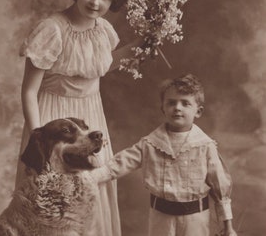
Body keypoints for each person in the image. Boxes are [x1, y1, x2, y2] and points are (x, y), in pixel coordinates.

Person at [15, 0, 139, 235]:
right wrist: (40, 139)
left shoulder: (103, 30)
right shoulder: (52, 29)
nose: (96, 2)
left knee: (92, 186)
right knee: (51, 198)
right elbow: (28, 91)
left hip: (90, 115)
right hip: (53, 117)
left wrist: (144, 44)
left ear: (112, 0)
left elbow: (100, 65)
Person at [93, 74, 237, 236]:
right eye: (171, 103)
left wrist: (228, 226)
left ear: (198, 111)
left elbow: (220, 188)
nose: (177, 108)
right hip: (161, 218)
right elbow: (119, 164)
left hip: (195, 219)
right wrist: (90, 177)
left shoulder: (205, 146)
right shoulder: (150, 144)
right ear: (163, 108)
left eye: (185, 103)